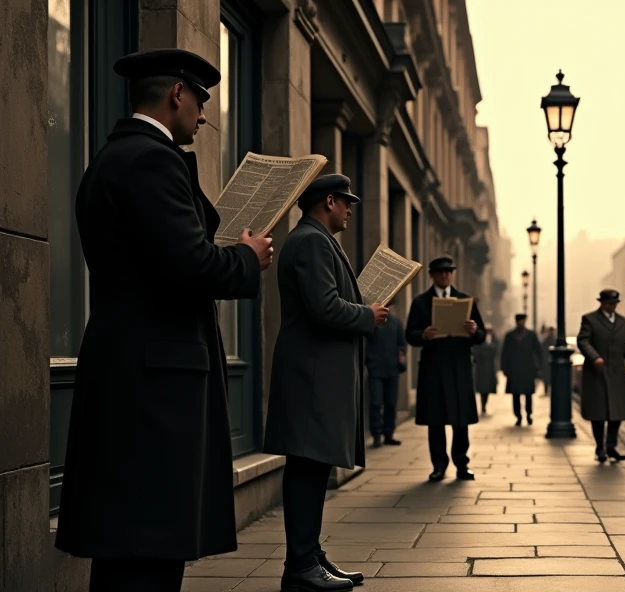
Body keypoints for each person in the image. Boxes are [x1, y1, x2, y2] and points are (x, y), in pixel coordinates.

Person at [54, 48, 274, 592]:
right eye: (200, 101)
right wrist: (247, 257)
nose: (204, 115)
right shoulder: (152, 160)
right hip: (154, 382)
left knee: (127, 544)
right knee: (149, 549)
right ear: (177, 93)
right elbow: (192, 264)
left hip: (133, 368)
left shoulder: (115, 157)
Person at [263, 174, 388, 592]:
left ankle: (309, 556)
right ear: (329, 202)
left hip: (315, 376)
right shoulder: (312, 241)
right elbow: (324, 306)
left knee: (312, 470)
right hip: (311, 377)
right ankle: (301, 564)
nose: (351, 209)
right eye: (347, 202)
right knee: (306, 469)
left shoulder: (314, 238)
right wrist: (367, 315)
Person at [406, 256, 487, 482]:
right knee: (436, 419)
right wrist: (423, 334)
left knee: (460, 420)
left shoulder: (465, 301)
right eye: (441, 272)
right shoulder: (421, 302)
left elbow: (481, 336)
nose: (446, 275)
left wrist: (474, 330)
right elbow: (409, 334)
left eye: (449, 272)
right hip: (434, 368)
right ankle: (439, 465)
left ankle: (462, 464)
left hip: (459, 368)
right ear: (432, 275)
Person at [576, 289, 625, 462]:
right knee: (598, 413)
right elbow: (582, 341)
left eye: (614, 303)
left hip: (617, 373)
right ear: (602, 303)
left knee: (617, 412)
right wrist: (594, 357)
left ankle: (611, 446)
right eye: (609, 303)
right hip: (597, 373)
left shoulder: (623, 322)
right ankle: (600, 448)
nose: (612, 306)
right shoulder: (590, 319)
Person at [366, 312, 408, 447]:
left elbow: (402, 343)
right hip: (375, 369)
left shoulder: (395, 321)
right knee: (376, 403)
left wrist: (401, 355)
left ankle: (389, 433)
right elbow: (365, 343)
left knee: (391, 403)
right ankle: (377, 434)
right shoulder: (372, 321)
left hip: (392, 369)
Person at [500, 313, 545, 426]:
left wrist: (539, 368)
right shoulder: (509, 336)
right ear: (517, 321)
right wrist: (504, 369)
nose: (521, 323)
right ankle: (518, 416)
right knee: (516, 395)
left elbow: (538, 351)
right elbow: (504, 353)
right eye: (520, 321)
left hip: (528, 369)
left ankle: (529, 414)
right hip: (514, 370)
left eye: (523, 321)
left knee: (528, 394)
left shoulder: (531, 335)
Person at [474, 329, 500, 414]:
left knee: (488, 390)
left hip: (490, 370)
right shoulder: (479, 344)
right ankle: (483, 406)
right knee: (482, 390)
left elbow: (495, 351)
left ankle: (484, 405)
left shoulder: (493, 343)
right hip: (481, 370)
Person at [540, 326, 556, 395]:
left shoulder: (549, 339)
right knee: (548, 377)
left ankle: (547, 390)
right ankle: (547, 390)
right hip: (548, 361)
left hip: (549, 361)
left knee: (548, 377)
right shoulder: (550, 339)